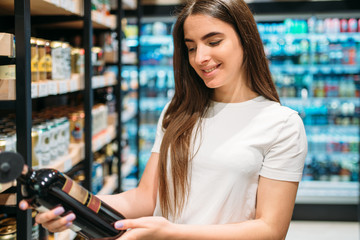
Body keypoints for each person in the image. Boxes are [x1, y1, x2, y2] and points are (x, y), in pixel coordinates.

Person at [20, 0, 307, 239]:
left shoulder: (281, 124)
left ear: (246, 39)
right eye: (191, 47)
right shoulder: (178, 110)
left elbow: (270, 229)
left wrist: (173, 233)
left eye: (214, 41)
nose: (200, 58)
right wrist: (71, 204)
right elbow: (145, 198)